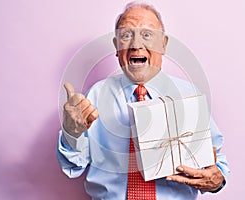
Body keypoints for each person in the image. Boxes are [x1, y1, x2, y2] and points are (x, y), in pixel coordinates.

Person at [57, 2, 230, 199]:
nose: (136, 45)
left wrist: (217, 181)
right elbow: (73, 165)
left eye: (147, 35)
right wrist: (72, 133)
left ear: (163, 44)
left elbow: (217, 165)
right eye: (126, 35)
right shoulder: (95, 96)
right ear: (116, 46)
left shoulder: (189, 96)